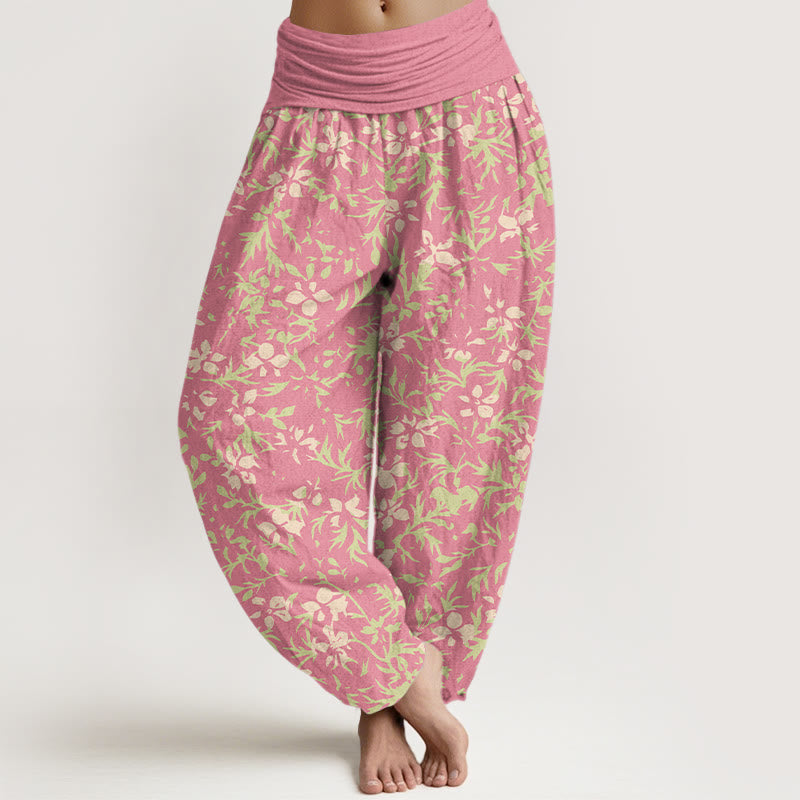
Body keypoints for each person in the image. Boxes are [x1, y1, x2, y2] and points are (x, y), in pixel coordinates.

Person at [176, 0, 556, 792]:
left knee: (450, 440)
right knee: (229, 409)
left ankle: (386, 696)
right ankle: (388, 665)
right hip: (316, 116)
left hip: (468, 111)